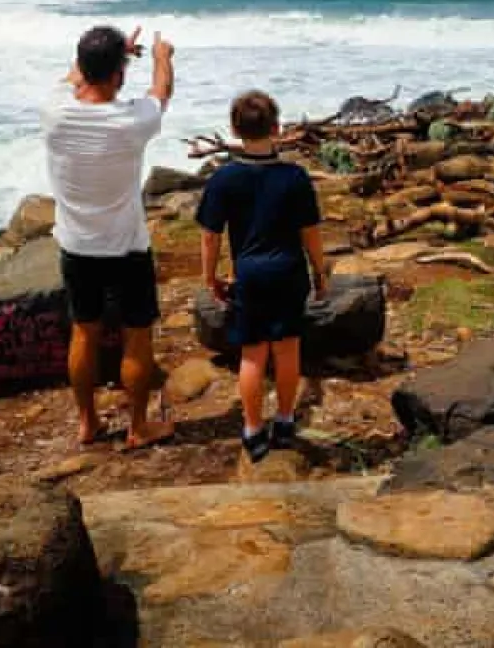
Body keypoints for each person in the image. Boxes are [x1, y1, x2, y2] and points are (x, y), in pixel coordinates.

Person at [41, 24, 176, 449]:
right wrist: (160, 56)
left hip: (77, 246)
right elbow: (162, 91)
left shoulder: (54, 111)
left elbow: (75, 77)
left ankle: (87, 422)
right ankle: (138, 427)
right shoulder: (131, 122)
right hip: (127, 247)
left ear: (82, 65)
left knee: (84, 333)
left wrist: (113, 56)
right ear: (120, 72)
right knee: (137, 335)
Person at [195, 91, 328, 461]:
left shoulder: (224, 179)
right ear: (277, 128)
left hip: (249, 275)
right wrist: (320, 270)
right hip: (288, 271)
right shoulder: (294, 176)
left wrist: (210, 277)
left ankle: (253, 429)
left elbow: (210, 235)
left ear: (235, 130)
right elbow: (311, 232)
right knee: (288, 351)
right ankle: (284, 420)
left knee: (252, 357)